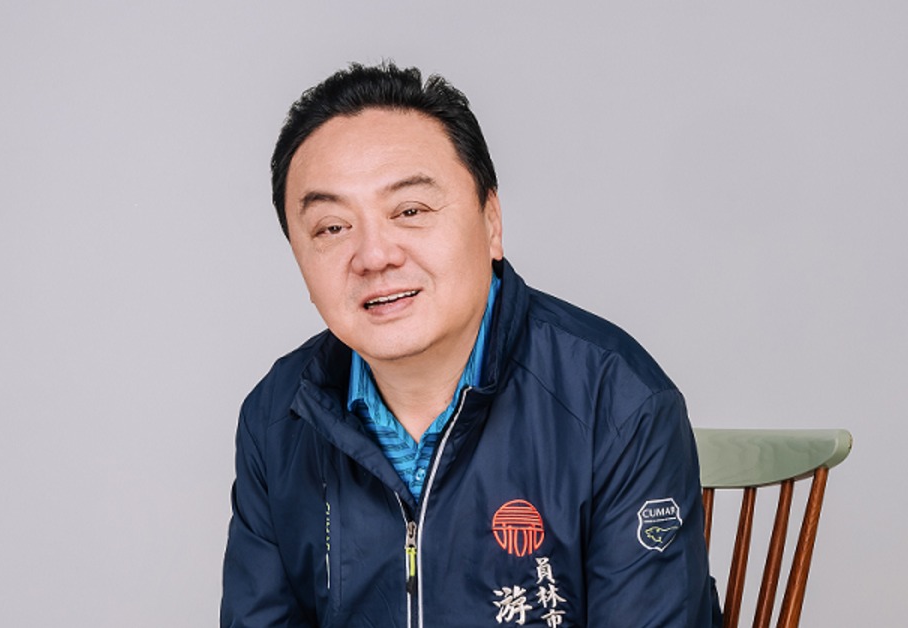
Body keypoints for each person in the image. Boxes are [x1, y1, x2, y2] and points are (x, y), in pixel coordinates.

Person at [221, 61, 720, 628]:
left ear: (491, 221)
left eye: (410, 211)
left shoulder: (618, 401)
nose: (374, 255)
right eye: (332, 227)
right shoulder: (278, 415)